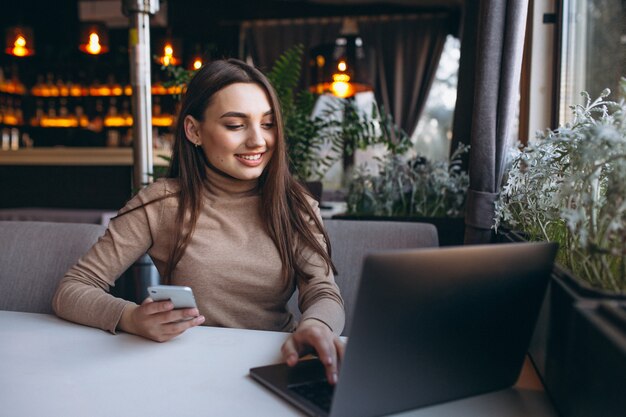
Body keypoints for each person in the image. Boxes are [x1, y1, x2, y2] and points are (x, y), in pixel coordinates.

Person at [52, 59, 345, 384]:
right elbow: (71, 289)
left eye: (267, 123)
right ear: (194, 131)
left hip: (276, 363)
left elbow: (323, 290)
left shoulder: (294, 204)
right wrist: (131, 318)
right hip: (188, 368)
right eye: (236, 125)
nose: (258, 141)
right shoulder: (162, 203)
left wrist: (315, 327)